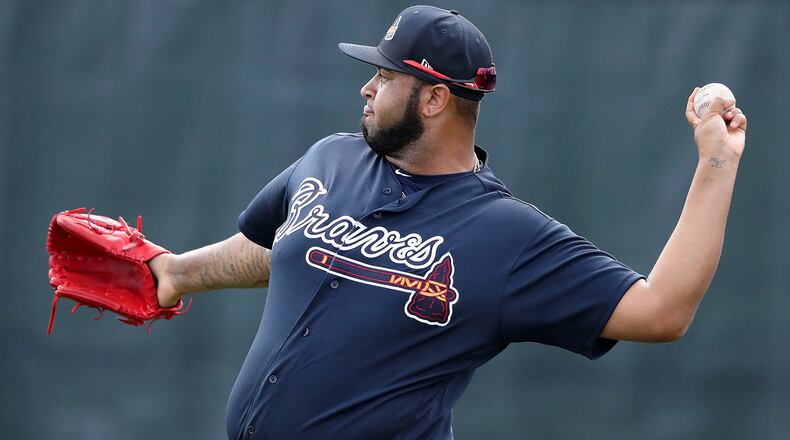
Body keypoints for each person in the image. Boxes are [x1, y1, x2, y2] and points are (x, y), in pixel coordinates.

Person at [148, 5, 747, 439]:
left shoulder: (506, 235)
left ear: (433, 99)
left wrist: (716, 164)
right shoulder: (331, 158)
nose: (367, 87)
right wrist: (174, 273)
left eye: (384, 77)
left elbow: (662, 311)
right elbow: (281, 248)